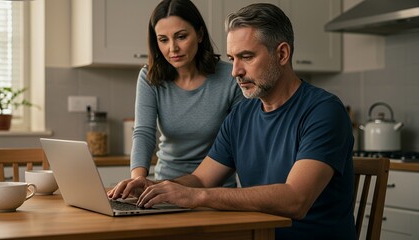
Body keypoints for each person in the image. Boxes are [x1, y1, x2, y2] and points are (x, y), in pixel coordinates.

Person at [109, 3, 355, 239]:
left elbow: (295, 199)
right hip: (253, 235)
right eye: (232, 58)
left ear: (282, 54)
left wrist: (199, 197)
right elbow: (201, 179)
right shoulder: (241, 115)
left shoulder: (324, 111)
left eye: (246, 57)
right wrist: (155, 187)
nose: (235, 71)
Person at [127, 0, 243, 186]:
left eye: (181, 37)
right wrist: (139, 180)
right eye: (163, 40)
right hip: (164, 189)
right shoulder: (150, 77)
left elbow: (237, 144)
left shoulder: (232, 77)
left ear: (199, 34)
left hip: (215, 191)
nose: (172, 48)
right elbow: (143, 133)